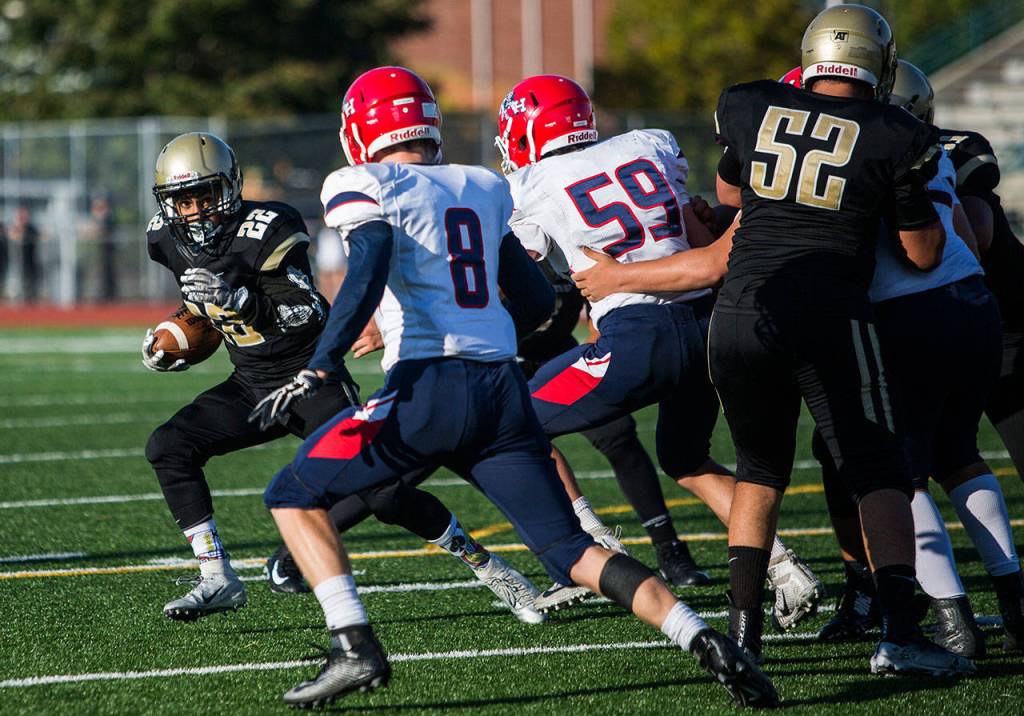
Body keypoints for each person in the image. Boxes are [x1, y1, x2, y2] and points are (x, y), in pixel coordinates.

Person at [253, 66, 777, 709]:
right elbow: (532, 302)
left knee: (292, 489)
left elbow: (366, 262)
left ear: (360, 129)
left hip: (427, 385)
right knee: (570, 549)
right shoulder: (480, 183)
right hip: (500, 390)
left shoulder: (361, 180)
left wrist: (325, 361)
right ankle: (702, 640)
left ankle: (353, 648)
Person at [574, 4, 974, 677]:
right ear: (878, 60)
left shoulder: (751, 104)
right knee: (876, 469)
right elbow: (925, 252)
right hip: (829, 312)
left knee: (760, 472)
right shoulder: (898, 131)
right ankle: (902, 632)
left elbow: (730, 193)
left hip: (738, 312)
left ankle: (744, 638)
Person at [144, 132, 541, 625]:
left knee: (386, 494)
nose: (197, 211)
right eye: (184, 201)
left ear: (231, 186)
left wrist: (240, 301)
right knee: (168, 446)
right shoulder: (164, 238)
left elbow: (308, 311)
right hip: (250, 384)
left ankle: (488, 566)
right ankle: (216, 576)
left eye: (205, 196)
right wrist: (175, 333)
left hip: (310, 383)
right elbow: (200, 308)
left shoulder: (268, 226)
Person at [496, 74, 824, 627]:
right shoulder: (650, 144)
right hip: (706, 326)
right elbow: (689, 227)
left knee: (512, 422)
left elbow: (520, 276)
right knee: (685, 457)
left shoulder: (532, 184)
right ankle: (786, 569)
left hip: (638, 335)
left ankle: (592, 543)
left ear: (529, 131)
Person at [816, 61, 1024, 657]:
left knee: (894, 471)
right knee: (959, 455)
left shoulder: (858, 144)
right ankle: (1014, 598)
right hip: (973, 303)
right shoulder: (929, 146)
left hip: (909, 313)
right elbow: (962, 232)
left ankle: (955, 622)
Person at [10, 205, 40, 302]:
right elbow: (13, 237)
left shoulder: (31, 228)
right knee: (17, 281)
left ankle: (30, 300)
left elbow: (38, 236)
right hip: (16, 262)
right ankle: (18, 300)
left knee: (30, 283)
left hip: (30, 261)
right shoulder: (15, 228)